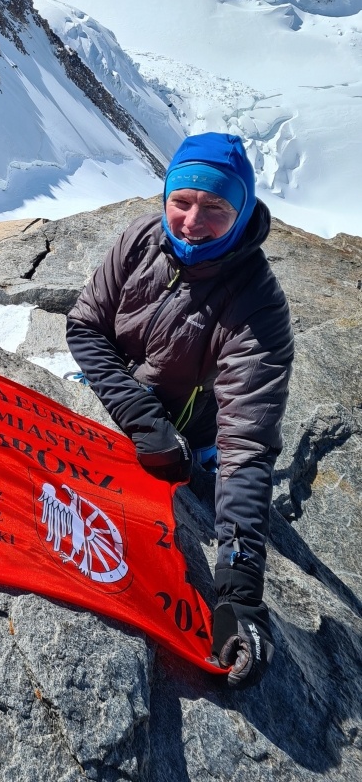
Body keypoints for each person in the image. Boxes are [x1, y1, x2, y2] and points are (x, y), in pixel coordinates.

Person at [65, 132, 292, 690]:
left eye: (216, 207)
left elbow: (249, 445)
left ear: (241, 213)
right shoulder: (143, 238)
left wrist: (238, 596)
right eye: (182, 200)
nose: (192, 221)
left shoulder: (257, 308)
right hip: (126, 406)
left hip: (192, 439)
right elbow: (85, 326)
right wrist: (142, 417)